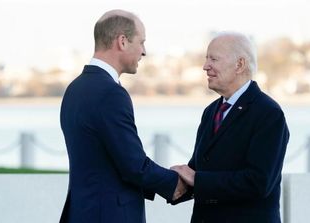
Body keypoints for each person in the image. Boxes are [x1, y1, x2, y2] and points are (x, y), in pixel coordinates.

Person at [59, 9, 186, 223]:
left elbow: (104, 163)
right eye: (141, 42)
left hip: (81, 213)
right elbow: (133, 165)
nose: (144, 51)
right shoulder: (110, 93)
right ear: (123, 41)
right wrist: (179, 184)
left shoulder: (75, 89)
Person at [171, 32, 290, 223]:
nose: (205, 66)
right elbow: (196, 170)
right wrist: (160, 181)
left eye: (214, 59)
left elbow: (258, 183)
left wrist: (197, 180)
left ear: (240, 64)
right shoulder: (211, 111)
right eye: (206, 58)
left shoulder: (268, 113)